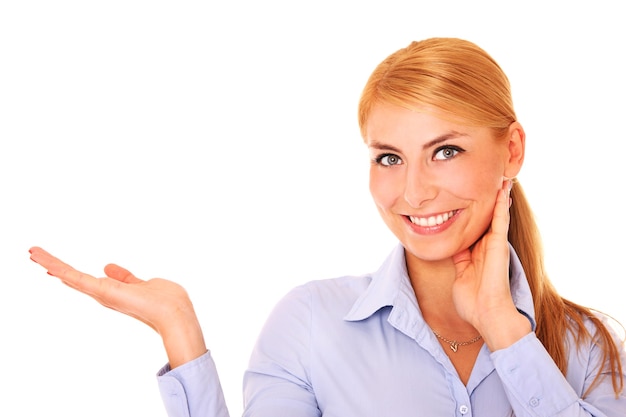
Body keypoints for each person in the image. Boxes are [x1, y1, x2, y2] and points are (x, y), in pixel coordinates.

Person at [29, 37, 625, 416]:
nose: (413, 191)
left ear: (512, 151)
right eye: (388, 157)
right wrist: (182, 336)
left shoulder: (588, 349)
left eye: (445, 151)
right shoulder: (311, 325)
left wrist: (503, 328)